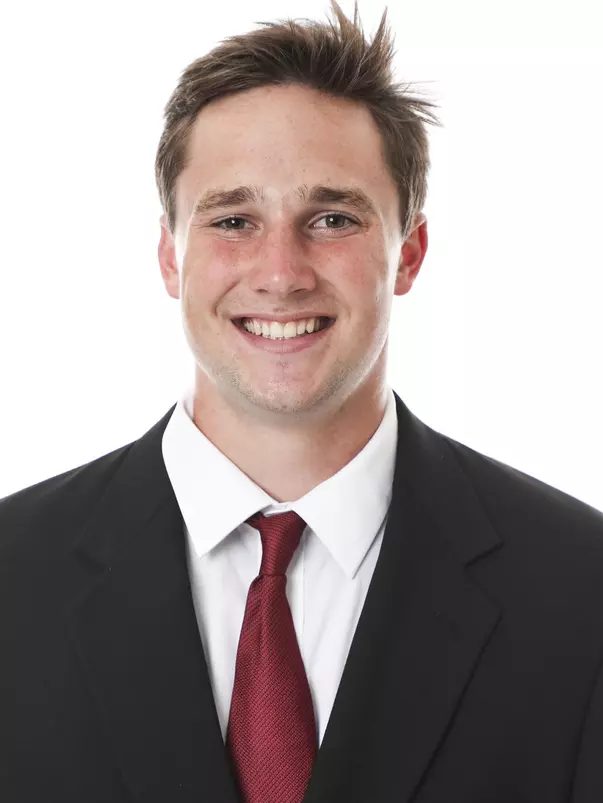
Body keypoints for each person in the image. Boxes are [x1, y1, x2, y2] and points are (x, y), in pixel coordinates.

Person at [2, 2, 603, 801]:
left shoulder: (578, 591)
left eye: (331, 217)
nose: (280, 271)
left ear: (408, 252)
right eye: (233, 218)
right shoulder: (13, 577)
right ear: (169, 256)